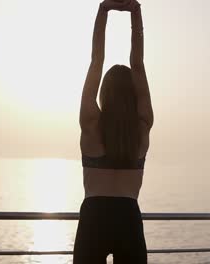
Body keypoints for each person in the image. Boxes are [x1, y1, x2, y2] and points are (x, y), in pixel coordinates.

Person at [73, 0, 153, 263]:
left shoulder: (91, 123)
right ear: (133, 94)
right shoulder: (142, 126)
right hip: (128, 218)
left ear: (104, 93)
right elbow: (138, 65)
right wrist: (136, 15)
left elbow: (97, 61)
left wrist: (104, 10)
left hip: (94, 217)